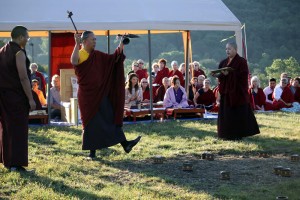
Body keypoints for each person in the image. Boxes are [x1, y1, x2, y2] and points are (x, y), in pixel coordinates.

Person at [70, 31, 141, 159]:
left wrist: (121, 43)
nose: (95, 42)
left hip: (101, 93)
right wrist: (76, 44)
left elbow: (113, 59)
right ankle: (92, 153)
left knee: (110, 116)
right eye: (93, 39)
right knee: (91, 122)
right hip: (87, 96)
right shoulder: (80, 54)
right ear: (84, 41)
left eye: (96, 39)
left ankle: (125, 144)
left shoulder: (97, 55)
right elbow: (74, 61)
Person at [0, 25, 36, 171]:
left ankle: (7, 161)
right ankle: (16, 164)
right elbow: (23, 77)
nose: (27, 40)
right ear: (20, 37)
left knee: (6, 128)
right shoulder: (18, 52)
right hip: (16, 98)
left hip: (3, 97)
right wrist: (30, 99)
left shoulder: (2, 50)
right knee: (18, 130)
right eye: (27, 37)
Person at [211, 41, 259, 140]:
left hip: (237, 93)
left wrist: (230, 74)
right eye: (226, 49)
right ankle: (225, 134)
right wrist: (218, 75)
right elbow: (221, 77)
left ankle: (238, 134)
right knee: (226, 115)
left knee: (237, 114)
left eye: (229, 49)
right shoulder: (223, 62)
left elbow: (243, 76)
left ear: (235, 49)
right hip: (226, 93)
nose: (227, 51)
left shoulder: (241, 61)